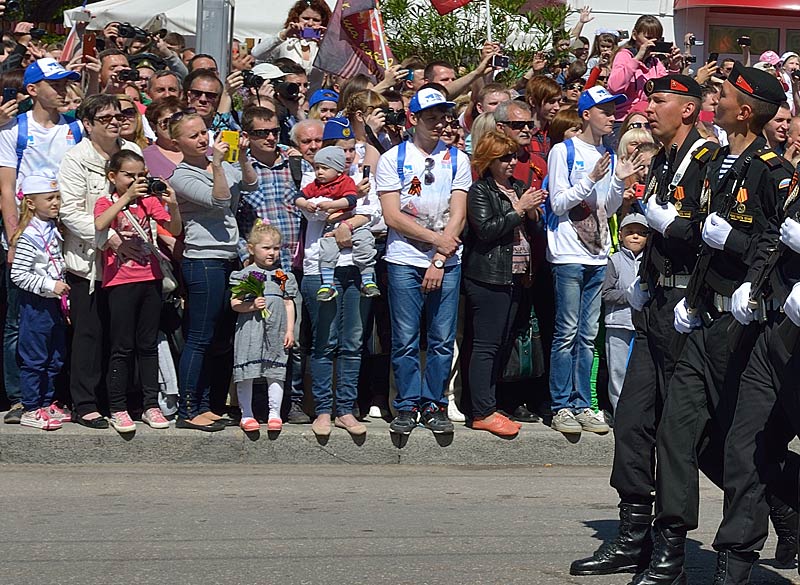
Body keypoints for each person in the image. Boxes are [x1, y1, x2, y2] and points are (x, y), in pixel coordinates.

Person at [631, 63, 794, 585]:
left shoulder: (771, 171)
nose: (712, 99)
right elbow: (703, 238)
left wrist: (739, 250)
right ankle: (669, 550)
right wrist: (691, 295)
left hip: (743, 328)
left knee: (742, 447)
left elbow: (776, 248)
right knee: (677, 437)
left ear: (744, 110)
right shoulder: (718, 161)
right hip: (700, 321)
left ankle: (769, 524)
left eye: (719, 94)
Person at [569, 74, 717, 578]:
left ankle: (671, 547)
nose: (647, 108)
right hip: (655, 303)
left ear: (690, 110)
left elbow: (707, 236)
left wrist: (668, 233)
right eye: (648, 99)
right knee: (632, 421)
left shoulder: (708, 163)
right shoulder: (660, 162)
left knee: (680, 437)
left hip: (688, 307)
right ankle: (632, 535)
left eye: (659, 101)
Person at [546, 86, 645, 435]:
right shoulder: (564, 151)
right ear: (586, 114)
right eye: (604, 110)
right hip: (568, 253)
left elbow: (611, 207)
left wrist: (618, 182)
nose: (612, 115)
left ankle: (582, 403)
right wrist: (590, 179)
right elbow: (558, 203)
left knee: (588, 335)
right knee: (566, 333)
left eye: (614, 109)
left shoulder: (609, 154)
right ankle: (561, 406)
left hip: (598, 251)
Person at [375, 87, 472, 435]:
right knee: (405, 337)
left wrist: (440, 257)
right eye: (430, 117)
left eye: (442, 116)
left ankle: (435, 403)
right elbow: (393, 216)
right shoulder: (393, 159)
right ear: (414, 118)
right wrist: (436, 242)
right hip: (404, 259)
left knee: (442, 337)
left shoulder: (458, 159)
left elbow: (458, 212)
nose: (437, 123)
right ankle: (405, 404)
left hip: (446, 260)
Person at [0, 57, 80, 424]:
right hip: (27, 237)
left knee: (57, 320)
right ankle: (20, 397)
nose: (63, 90)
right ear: (32, 90)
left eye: (66, 83)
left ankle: (51, 395)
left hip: (65, 238)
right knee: (20, 321)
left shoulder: (75, 128)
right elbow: (6, 189)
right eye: (55, 84)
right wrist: (15, 236)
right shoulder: (13, 130)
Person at [169, 112, 258, 431]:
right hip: (202, 259)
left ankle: (206, 404)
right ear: (177, 142)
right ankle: (187, 408)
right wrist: (218, 165)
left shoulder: (221, 161)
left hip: (228, 257)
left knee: (220, 336)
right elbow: (220, 199)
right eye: (193, 136)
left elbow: (250, 183)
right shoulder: (180, 174)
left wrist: (243, 155)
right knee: (200, 336)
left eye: (204, 132)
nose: (202, 139)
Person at [59, 94, 142, 430]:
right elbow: (70, 212)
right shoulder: (75, 159)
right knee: (89, 335)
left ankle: (118, 401)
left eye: (118, 115)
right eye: (104, 117)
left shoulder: (132, 153)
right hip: (90, 262)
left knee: (123, 336)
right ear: (88, 124)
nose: (113, 121)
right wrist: (109, 240)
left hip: (132, 262)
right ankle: (85, 402)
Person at [460, 130, 546, 436]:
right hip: (488, 277)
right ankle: (481, 410)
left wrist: (534, 213)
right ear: (489, 161)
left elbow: (534, 229)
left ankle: (490, 404)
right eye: (504, 158)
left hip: (516, 276)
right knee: (485, 345)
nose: (512, 162)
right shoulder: (481, 191)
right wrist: (520, 209)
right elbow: (485, 230)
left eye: (513, 156)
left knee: (501, 344)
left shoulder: (517, 187)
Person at [93, 150, 181, 433]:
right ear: (113, 176)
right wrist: (127, 197)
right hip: (119, 281)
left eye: (140, 175)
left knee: (147, 345)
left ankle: (150, 405)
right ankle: (118, 407)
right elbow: (99, 224)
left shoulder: (149, 202)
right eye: (129, 175)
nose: (136, 180)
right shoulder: (107, 201)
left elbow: (174, 228)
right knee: (121, 346)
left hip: (150, 278)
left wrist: (174, 205)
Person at [10, 173, 69, 431]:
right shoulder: (29, 236)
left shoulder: (54, 228)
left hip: (55, 303)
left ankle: (46, 403)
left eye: (57, 197)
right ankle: (31, 407)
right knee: (35, 358)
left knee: (55, 356)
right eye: (49, 198)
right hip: (36, 305)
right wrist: (49, 285)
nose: (56, 202)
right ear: (31, 203)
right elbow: (18, 275)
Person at [230, 222, 297, 433]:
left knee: (275, 369)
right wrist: (250, 305)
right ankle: (247, 414)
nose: (272, 253)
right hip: (251, 329)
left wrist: (289, 330)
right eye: (266, 248)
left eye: (276, 248)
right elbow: (234, 303)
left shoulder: (282, 276)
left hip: (275, 329)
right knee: (247, 370)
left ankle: (274, 413)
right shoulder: (246, 274)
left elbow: (288, 303)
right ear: (252, 248)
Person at [296, 145, 378, 301]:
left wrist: (332, 206)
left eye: (324, 168)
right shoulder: (314, 183)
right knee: (327, 247)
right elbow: (308, 206)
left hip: (355, 233)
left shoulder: (347, 182)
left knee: (365, 243)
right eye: (317, 167)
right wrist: (305, 204)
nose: (319, 172)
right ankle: (328, 283)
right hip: (328, 234)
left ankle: (367, 280)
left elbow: (363, 208)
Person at [602, 213, 648, 413]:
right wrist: (629, 295)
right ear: (620, 235)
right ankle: (619, 413)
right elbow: (606, 293)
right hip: (618, 324)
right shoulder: (615, 260)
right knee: (618, 371)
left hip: (642, 326)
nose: (635, 237)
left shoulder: (650, 260)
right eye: (630, 232)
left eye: (641, 233)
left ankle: (636, 415)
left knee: (640, 373)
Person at [607, 15, 683, 133]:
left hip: (649, 120)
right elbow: (614, 87)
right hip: (624, 121)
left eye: (657, 39)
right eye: (648, 38)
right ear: (634, 35)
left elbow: (668, 91)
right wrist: (637, 59)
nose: (652, 43)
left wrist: (673, 67)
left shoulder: (655, 62)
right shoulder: (624, 56)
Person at [142, 96, 184, 179]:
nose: (173, 126)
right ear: (153, 126)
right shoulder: (144, 158)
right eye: (166, 122)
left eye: (178, 120)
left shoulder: (205, 151)